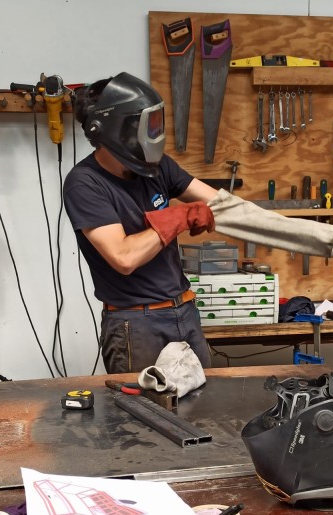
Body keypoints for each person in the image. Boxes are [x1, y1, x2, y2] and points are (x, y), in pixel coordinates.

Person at [63, 72, 218, 374]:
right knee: (142, 406)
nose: (154, 133)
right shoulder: (84, 183)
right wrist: (178, 217)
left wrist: (295, 232)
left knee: (207, 400)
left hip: (184, 310)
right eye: (146, 125)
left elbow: (220, 204)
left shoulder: (158, 167)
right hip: (135, 323)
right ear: (115, 129)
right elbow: (124, 257)